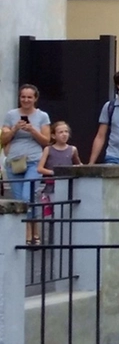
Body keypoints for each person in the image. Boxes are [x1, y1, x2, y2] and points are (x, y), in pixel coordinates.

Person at [3, 84, 51, 239]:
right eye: (23, 96)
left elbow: (46, 141)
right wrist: (15, 129)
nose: (26, 100)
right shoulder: (11, 115)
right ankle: (28, 232)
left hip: (33, 161)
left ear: (35, 98)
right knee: (19, 201)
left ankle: (30, 233)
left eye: (29, 97)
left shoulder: (42, 116)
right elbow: (3, 139)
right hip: (15, 161)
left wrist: (32, 130)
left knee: (27, 196)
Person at [36, 121, 81, 241]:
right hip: (51, 187)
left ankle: (64, 239)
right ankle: (49, 239)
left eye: (66, 132)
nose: (64, 134)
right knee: (50, 215)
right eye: (60, 132)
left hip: (67, 186)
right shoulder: (48, 149)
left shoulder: (72, 150)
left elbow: (79, 165)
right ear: (53, 135)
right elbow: (40, 168)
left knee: (65, 213)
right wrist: (53, 172)